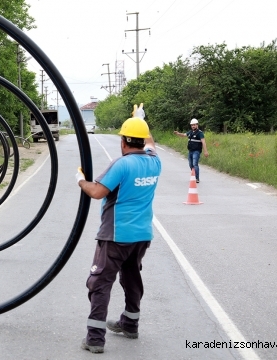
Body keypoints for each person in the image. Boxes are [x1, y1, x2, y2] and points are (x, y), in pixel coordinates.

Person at [75, 117, 161, 354]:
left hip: (115, 235)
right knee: (132, 278)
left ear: (123, 141)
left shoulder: (122, 165)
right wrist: (142, 120)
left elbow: (96, 191)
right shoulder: (154, 162)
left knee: (100, 283)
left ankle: (94, 338)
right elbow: (150, 141)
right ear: (142, 141)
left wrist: (81, 180)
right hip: (142, 236)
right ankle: (130, 324)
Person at [173, 118, 209, 183]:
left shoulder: (200, 133)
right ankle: (194, 176)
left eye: (194, 125)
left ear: (197, 125)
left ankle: (197, 178)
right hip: (190, 151)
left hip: (196, 151)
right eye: (192, 125)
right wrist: (178, 133)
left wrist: (205, 151)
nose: (193, 126)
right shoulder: (190, 132)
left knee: (195, 164)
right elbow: (184, 135)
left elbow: (203, 142)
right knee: (190, 164)